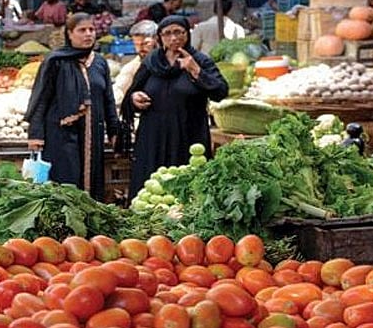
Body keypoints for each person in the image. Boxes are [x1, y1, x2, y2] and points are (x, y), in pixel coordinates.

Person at [121, 15, 229, 199]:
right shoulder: (151, 62)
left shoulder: (200, 60)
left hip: (188, 136)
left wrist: (195, 70)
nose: (173, 38)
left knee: (186, 193)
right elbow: (132, 95)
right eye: (168, 33)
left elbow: (221, 91)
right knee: (150, 192)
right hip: (153, 138)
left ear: (188, 34)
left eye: (179, 32)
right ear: (159, 37)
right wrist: (134, 98)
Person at [25, 13, 119, 201]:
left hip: (93, 133)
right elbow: (41, 98)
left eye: (91, 30)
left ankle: (89, 224)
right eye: (82, 30)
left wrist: (114, 130)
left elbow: (108, 98)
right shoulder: (56, 61)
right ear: (70, 33)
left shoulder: (99, 62)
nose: (88, 34)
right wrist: (35, 134)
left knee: (92, 179)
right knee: (65, 179)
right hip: (62, 134)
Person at [112, 19, 158, 107]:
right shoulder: (132, 67)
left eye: (145, 44)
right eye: (136, 44)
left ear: (157, 40)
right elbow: (118, 90)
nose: (140, 49)